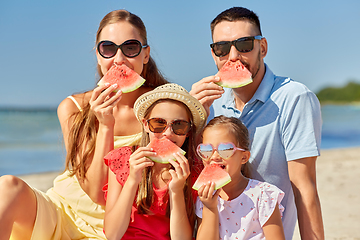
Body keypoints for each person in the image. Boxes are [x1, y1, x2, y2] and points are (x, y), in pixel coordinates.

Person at [0, 9, 168, 240]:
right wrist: (105, 124)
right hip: (60, 213)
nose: (119, 60)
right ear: (98, 56)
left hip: (117, 229)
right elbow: (93, 190)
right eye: (108, 49)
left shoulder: (164, 108)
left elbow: (104, 198)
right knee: (6, 187)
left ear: (145, 54)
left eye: (130, 48)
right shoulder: (73, 108)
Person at [190, 7, 324, 240]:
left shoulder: (293, 98)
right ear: (214, 54)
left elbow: (304, 187)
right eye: (221, 48)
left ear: (262, 48)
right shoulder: (210, 103)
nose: (233, 57)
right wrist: (191, 114)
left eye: (244, 45)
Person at [103, 83, 207, 240]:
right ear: (145, 125)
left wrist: (177, 190)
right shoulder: (123, 159)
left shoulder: (194, 171)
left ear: (188, 131)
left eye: (179, 125)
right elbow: (112, 234)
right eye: (159, 124)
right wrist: (132, 180)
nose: (168, 133)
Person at [195, 115, 285, 240]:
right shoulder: (204, 198)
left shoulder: (263, 195)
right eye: (206, 150)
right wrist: (209, 207)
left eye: (225, 149)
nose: (214, 156)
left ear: (244, 157)